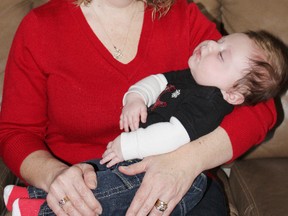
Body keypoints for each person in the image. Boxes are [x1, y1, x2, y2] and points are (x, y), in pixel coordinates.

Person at [0, 0, 284, 215]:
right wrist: (53, 175)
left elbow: (260, 104)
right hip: (85, 183)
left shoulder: (182, 16)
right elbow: (15, 133)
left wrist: (186, 162)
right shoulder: (41, 27)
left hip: (180, 185)